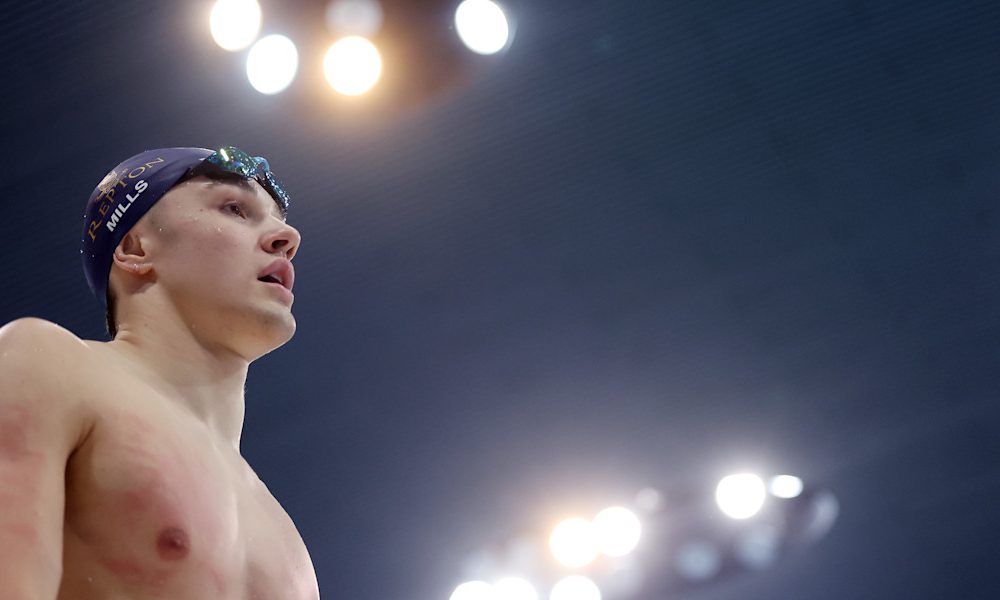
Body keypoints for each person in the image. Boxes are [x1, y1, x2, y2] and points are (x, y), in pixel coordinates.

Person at [0, 146, 319, 599]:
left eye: (277, 219)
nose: (287, 236)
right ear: (135, 249)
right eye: (234, 208)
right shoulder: (47, 363)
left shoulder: (286, 537)